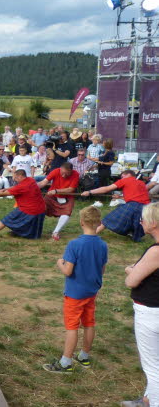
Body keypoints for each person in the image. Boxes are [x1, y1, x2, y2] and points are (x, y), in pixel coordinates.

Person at [42, 206, 107, 374]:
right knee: (89, 323)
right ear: (99, 222)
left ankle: (65, 363)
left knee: (72, 327)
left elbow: (68, 271)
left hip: (74, 294)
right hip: (91, 292)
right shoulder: (102, 245)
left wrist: (59, 263)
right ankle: (84, 356)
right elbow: (102, 270)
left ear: (81, 222)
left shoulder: (75, 244)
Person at [123, 203, 159, 407]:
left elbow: (132, 280)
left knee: (153, 368)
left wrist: (131, 270)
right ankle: (147, 400)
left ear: (153, 223)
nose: (141, 222)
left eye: (144, 219)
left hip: (151, 312)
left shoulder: (155, 251)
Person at [83, 170, 151, 242]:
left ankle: (90, 236)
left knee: (108, 220)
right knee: (136, 226)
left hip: (133, 205)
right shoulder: (142, 183)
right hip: (146, 208)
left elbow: (106, 189)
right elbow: (137, 197)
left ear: (127, 175)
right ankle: (134, 235)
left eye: (122, 176)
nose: (121, 178)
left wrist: (89, 192)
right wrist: (120, 197)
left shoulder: (125, 180)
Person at [0, 169, 46, 239]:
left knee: (7, 219)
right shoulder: (31, 180)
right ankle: (19, 232)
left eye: (15, 177)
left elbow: (2, 194)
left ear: (20, 176)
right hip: (41, 209)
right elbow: (14, 187)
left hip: (29, 209)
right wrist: (5, 189)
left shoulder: (22, 187)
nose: (14, 179)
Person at [38, 162, 80, 241]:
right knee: (40, 209)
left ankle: (56, 232)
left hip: (67, 196)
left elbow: (71, 189)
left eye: (66, 174)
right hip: (51, 196)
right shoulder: (56, 171)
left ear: (71, 171)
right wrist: (33, 187)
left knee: (67, 213)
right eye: (62, 173)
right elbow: (44, 182)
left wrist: (57, 191)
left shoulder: (75, 174)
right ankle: (36, 229)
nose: (63, 176)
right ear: (60, 169)